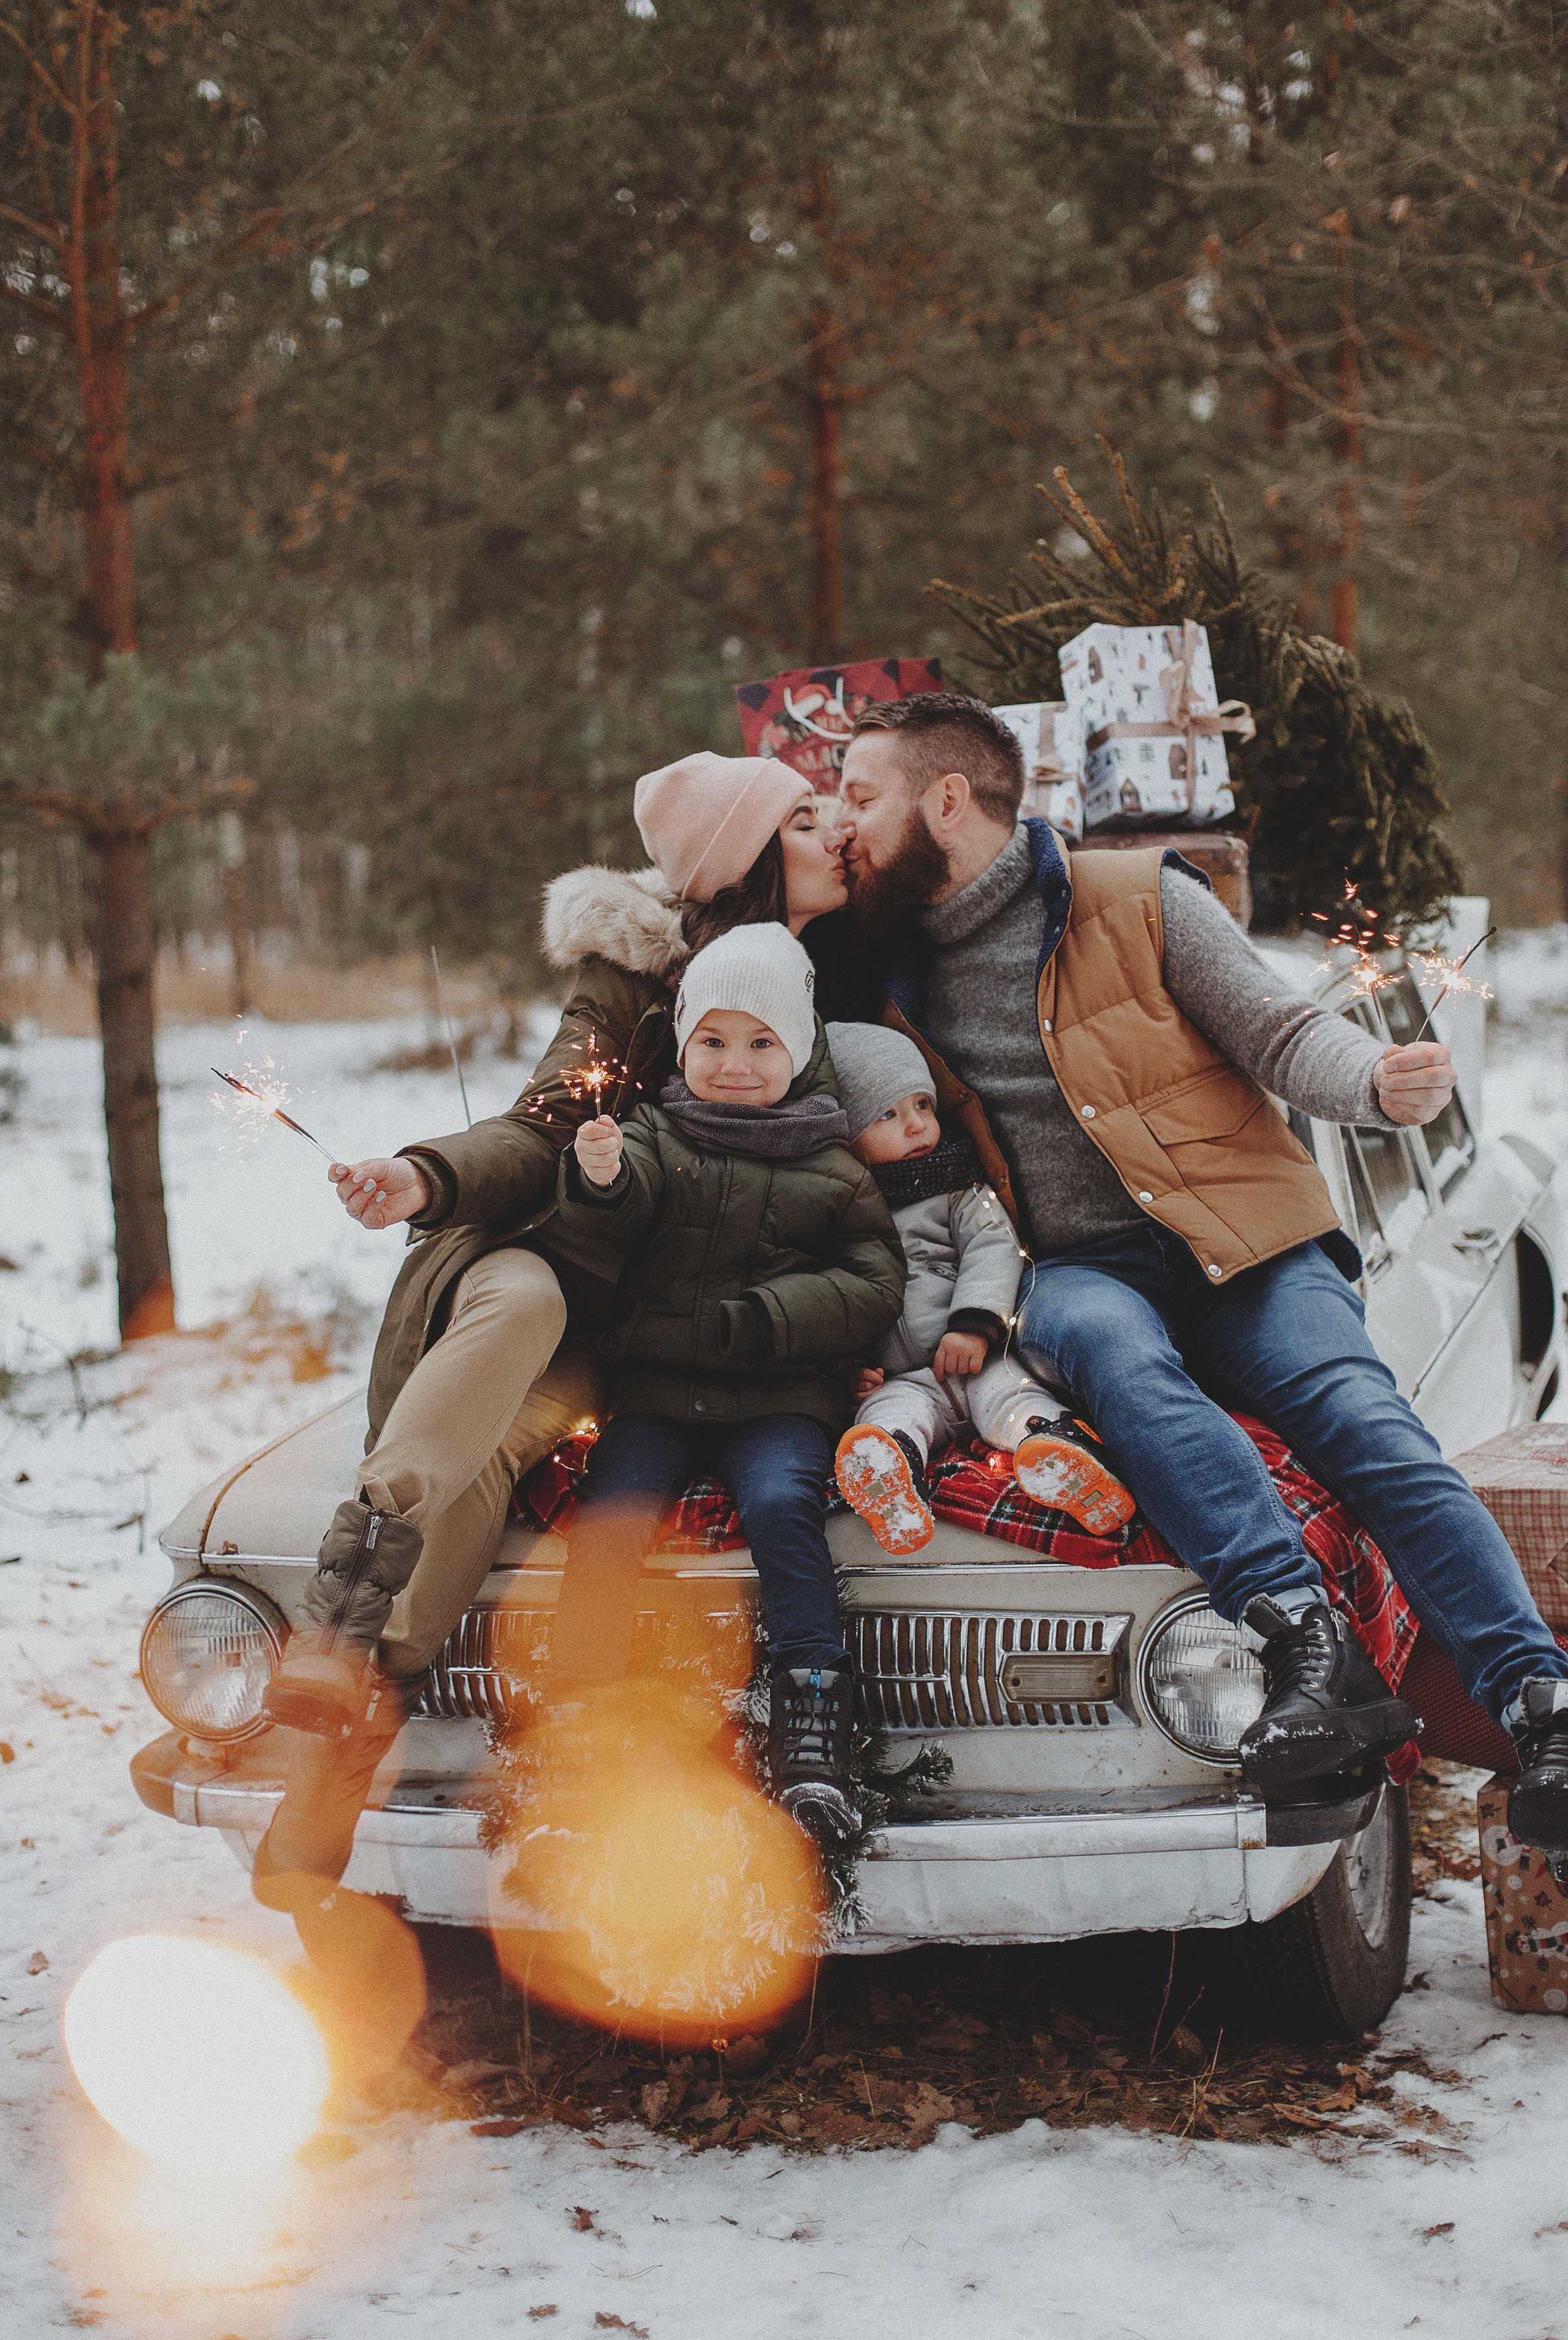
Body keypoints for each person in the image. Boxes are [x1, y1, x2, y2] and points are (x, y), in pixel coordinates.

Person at [835, 691, 1568, 1839]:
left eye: (862, 796)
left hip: (1249, 1239)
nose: (845, 823)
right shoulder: (882, 972)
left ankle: (1541, 1705)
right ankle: (1305, 1642)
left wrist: (1374, 1087)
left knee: (1361, 1420)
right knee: (1113, 1355)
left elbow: (1282, 1034)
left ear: (946, 799)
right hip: (1075, 1267)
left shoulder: (1136, 898)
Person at [251, 753, 856, 1901]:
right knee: (522, 1305)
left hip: (630, 1331)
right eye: (810, 822)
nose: (837, 839)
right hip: (535, 1271)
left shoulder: (822, 975)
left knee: (487, 1467)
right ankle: (335, 1633)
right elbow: (538, 1127)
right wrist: (424, 1178)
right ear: (750, 858)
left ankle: (354, 1722)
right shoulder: (628, 985)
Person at [547, 924, 905, 1838]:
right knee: (613, 1506)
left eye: (760, 1043)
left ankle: (813, 1716)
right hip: (659, 1393)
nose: (733, 1065)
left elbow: (873, 1281)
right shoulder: (653, 1139)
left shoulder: (832, 1167)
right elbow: (612, 1225)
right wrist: (598, 1180)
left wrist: (767, 1319)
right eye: (712, 1041)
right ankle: (582, 1705)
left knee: (784, 1504)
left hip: (781, 1395)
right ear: (682, 1044)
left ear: (799, 1049)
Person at [826, 1021, 1134, 1552]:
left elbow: (993, 1248)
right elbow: (834, 1293)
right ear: (846, 1136)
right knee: (891, 1414)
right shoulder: (840, 1210)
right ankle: (891, 1471)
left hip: (978, 1358)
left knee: (1012, 1398)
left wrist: (974, 1324)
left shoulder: (959, 1189)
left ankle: (1055, 1448)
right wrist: (848, 1369)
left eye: (923, 1105)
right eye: (889, 1115)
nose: (918, 1126)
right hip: (905, 1378)